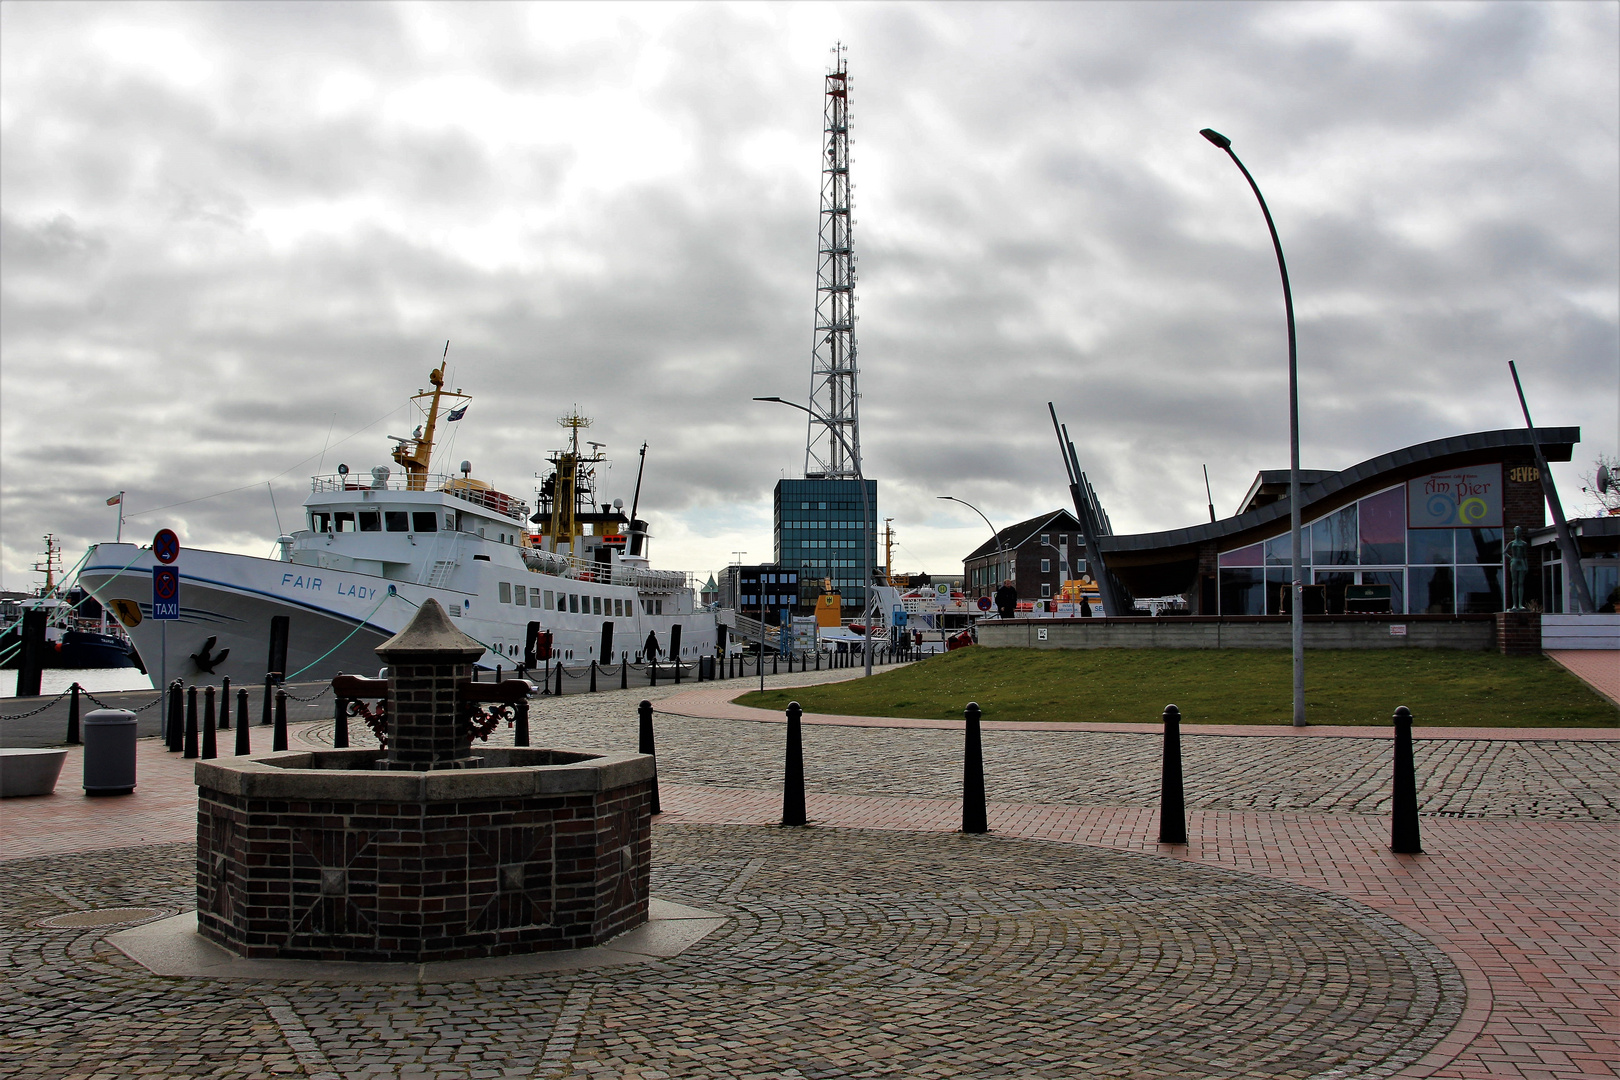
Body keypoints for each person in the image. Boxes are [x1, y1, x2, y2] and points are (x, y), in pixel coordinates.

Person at [1506, 526, 1529, 611]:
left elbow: (1525, 556)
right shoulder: (1511, 543)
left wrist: (1526, 566)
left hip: (1521, 562)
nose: (1517, 533)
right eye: (1516, 531)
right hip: (1514, 562)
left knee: (1521, 583)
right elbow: (1504, 552)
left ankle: (1520, 604)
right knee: (1514, 583)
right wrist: (1511, 558)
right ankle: (1514, 604)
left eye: (1519, 531)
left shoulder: (1524, 544)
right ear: (1514, 532)